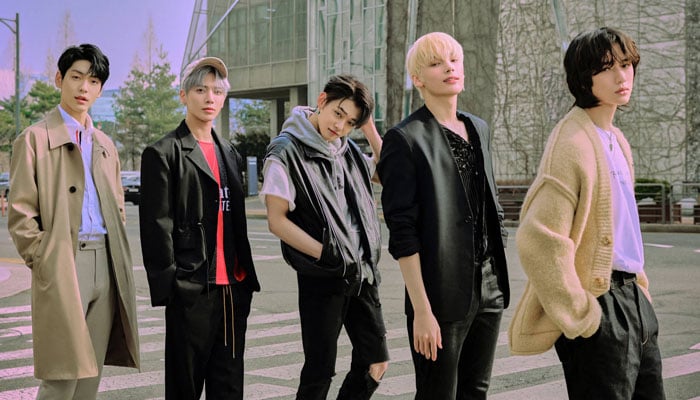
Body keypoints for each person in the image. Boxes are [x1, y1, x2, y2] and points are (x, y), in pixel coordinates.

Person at [508, 27, 665, 399]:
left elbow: (623, 230)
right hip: (600, 306)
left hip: (633, 301)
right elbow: (538, 238)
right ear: (583, 79)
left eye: (626, 64)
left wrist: (641, 292)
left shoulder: (616, 139)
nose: (621, 76)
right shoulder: (571, 142)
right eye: (607, 68)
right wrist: (582, 314)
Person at [377, 32, 510, 399]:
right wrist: (421, 310)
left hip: (489, 284)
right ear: (418, 78)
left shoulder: (478, 128)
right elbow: (403, 233)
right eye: (436, 63)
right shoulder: (405, 138)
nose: (450, 68)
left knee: (476, 391)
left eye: (454, 60)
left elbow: (490, 203)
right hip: (438, 291)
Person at [7, 43, 140, 399]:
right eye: (76, 77)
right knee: (61, 375)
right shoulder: (34, 139)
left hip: (105, 262)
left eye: (93, 81)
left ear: (100, 89)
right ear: (59, 79)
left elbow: (117, 204)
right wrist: (45, 257)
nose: (84, 88)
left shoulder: (104, 143)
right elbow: (20, 213)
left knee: (90, 374)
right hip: (64, 261)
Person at [139, 57, 261, 399]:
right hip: (192, 288)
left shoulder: (229, 153)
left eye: (217, 91)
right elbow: (156, 228)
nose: (210, 98)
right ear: (183, 95)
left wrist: (243, 282)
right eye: (200, 90)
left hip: (232, 289)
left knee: (229, 386)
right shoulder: (163, 153)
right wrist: (173, 287)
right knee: (185, 387)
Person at [261, 74, 389, 399]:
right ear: (322, 101)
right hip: (324, 275)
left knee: (375, 363)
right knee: (319, 372)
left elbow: (388, 173)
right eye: (338, 113)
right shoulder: (286, 151)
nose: (340, 126)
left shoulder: (347, 150)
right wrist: (327, 254)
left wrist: (368, 128)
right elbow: (277, 221)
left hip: (362, 274)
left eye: (350, 122)